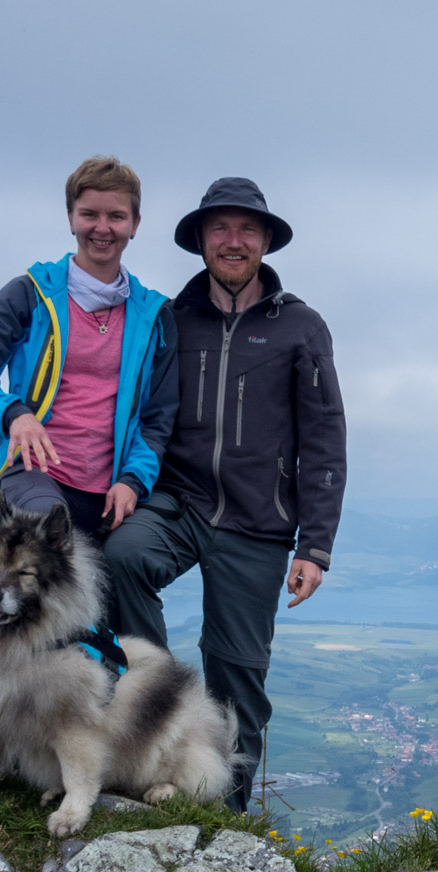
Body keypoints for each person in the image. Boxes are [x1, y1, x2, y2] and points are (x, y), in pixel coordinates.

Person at [104, 177, 347, 811]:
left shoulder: (300, 327)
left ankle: (228, 816)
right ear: (201, 241)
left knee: (239, 677)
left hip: (257, 523)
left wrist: (314, 547)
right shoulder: (171, 319)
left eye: (246, 230)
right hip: (178, 501)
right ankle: (155, 702)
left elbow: (324, 439)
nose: (232, 241)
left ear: (266, 241)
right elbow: (140, 409)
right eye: (220, 229)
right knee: (122, 559)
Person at [0, 156, 177, 537]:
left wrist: (133, 481)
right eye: (89, 214)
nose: (102, 228)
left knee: (127, 582)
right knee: (47, 541)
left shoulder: (155, 316)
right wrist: (13, 414)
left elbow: (158, 419)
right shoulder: (29, 294)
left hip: (111, 489)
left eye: (116, 217)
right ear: (70, 218)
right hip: (32, 474)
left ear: (135, 225)